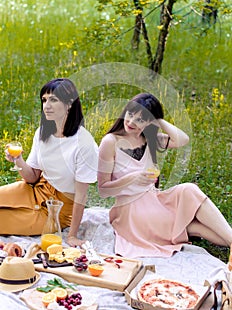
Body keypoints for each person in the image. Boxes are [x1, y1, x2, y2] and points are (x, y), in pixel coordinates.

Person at [98, 92, 232, 258]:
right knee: (191, 225)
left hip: (156, 200)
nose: (131, 122)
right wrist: (132, 178)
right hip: (132, 212)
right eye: (130, 114)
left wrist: (158, 120)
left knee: (189, 190)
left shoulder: (149, 139)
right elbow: (103, 190)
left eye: (140, 119)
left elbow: (183, 140)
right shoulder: (110, 142)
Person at [0, 78, 98, 248]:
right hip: (36, 189)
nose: (46, 105)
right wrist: (19, 160)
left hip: (57, 208)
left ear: (69, 104)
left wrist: (72, 235)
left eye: (53, 100)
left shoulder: (84, 144)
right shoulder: (43, 132)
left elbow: (81, 196)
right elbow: (32, 178)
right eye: (44, 100)